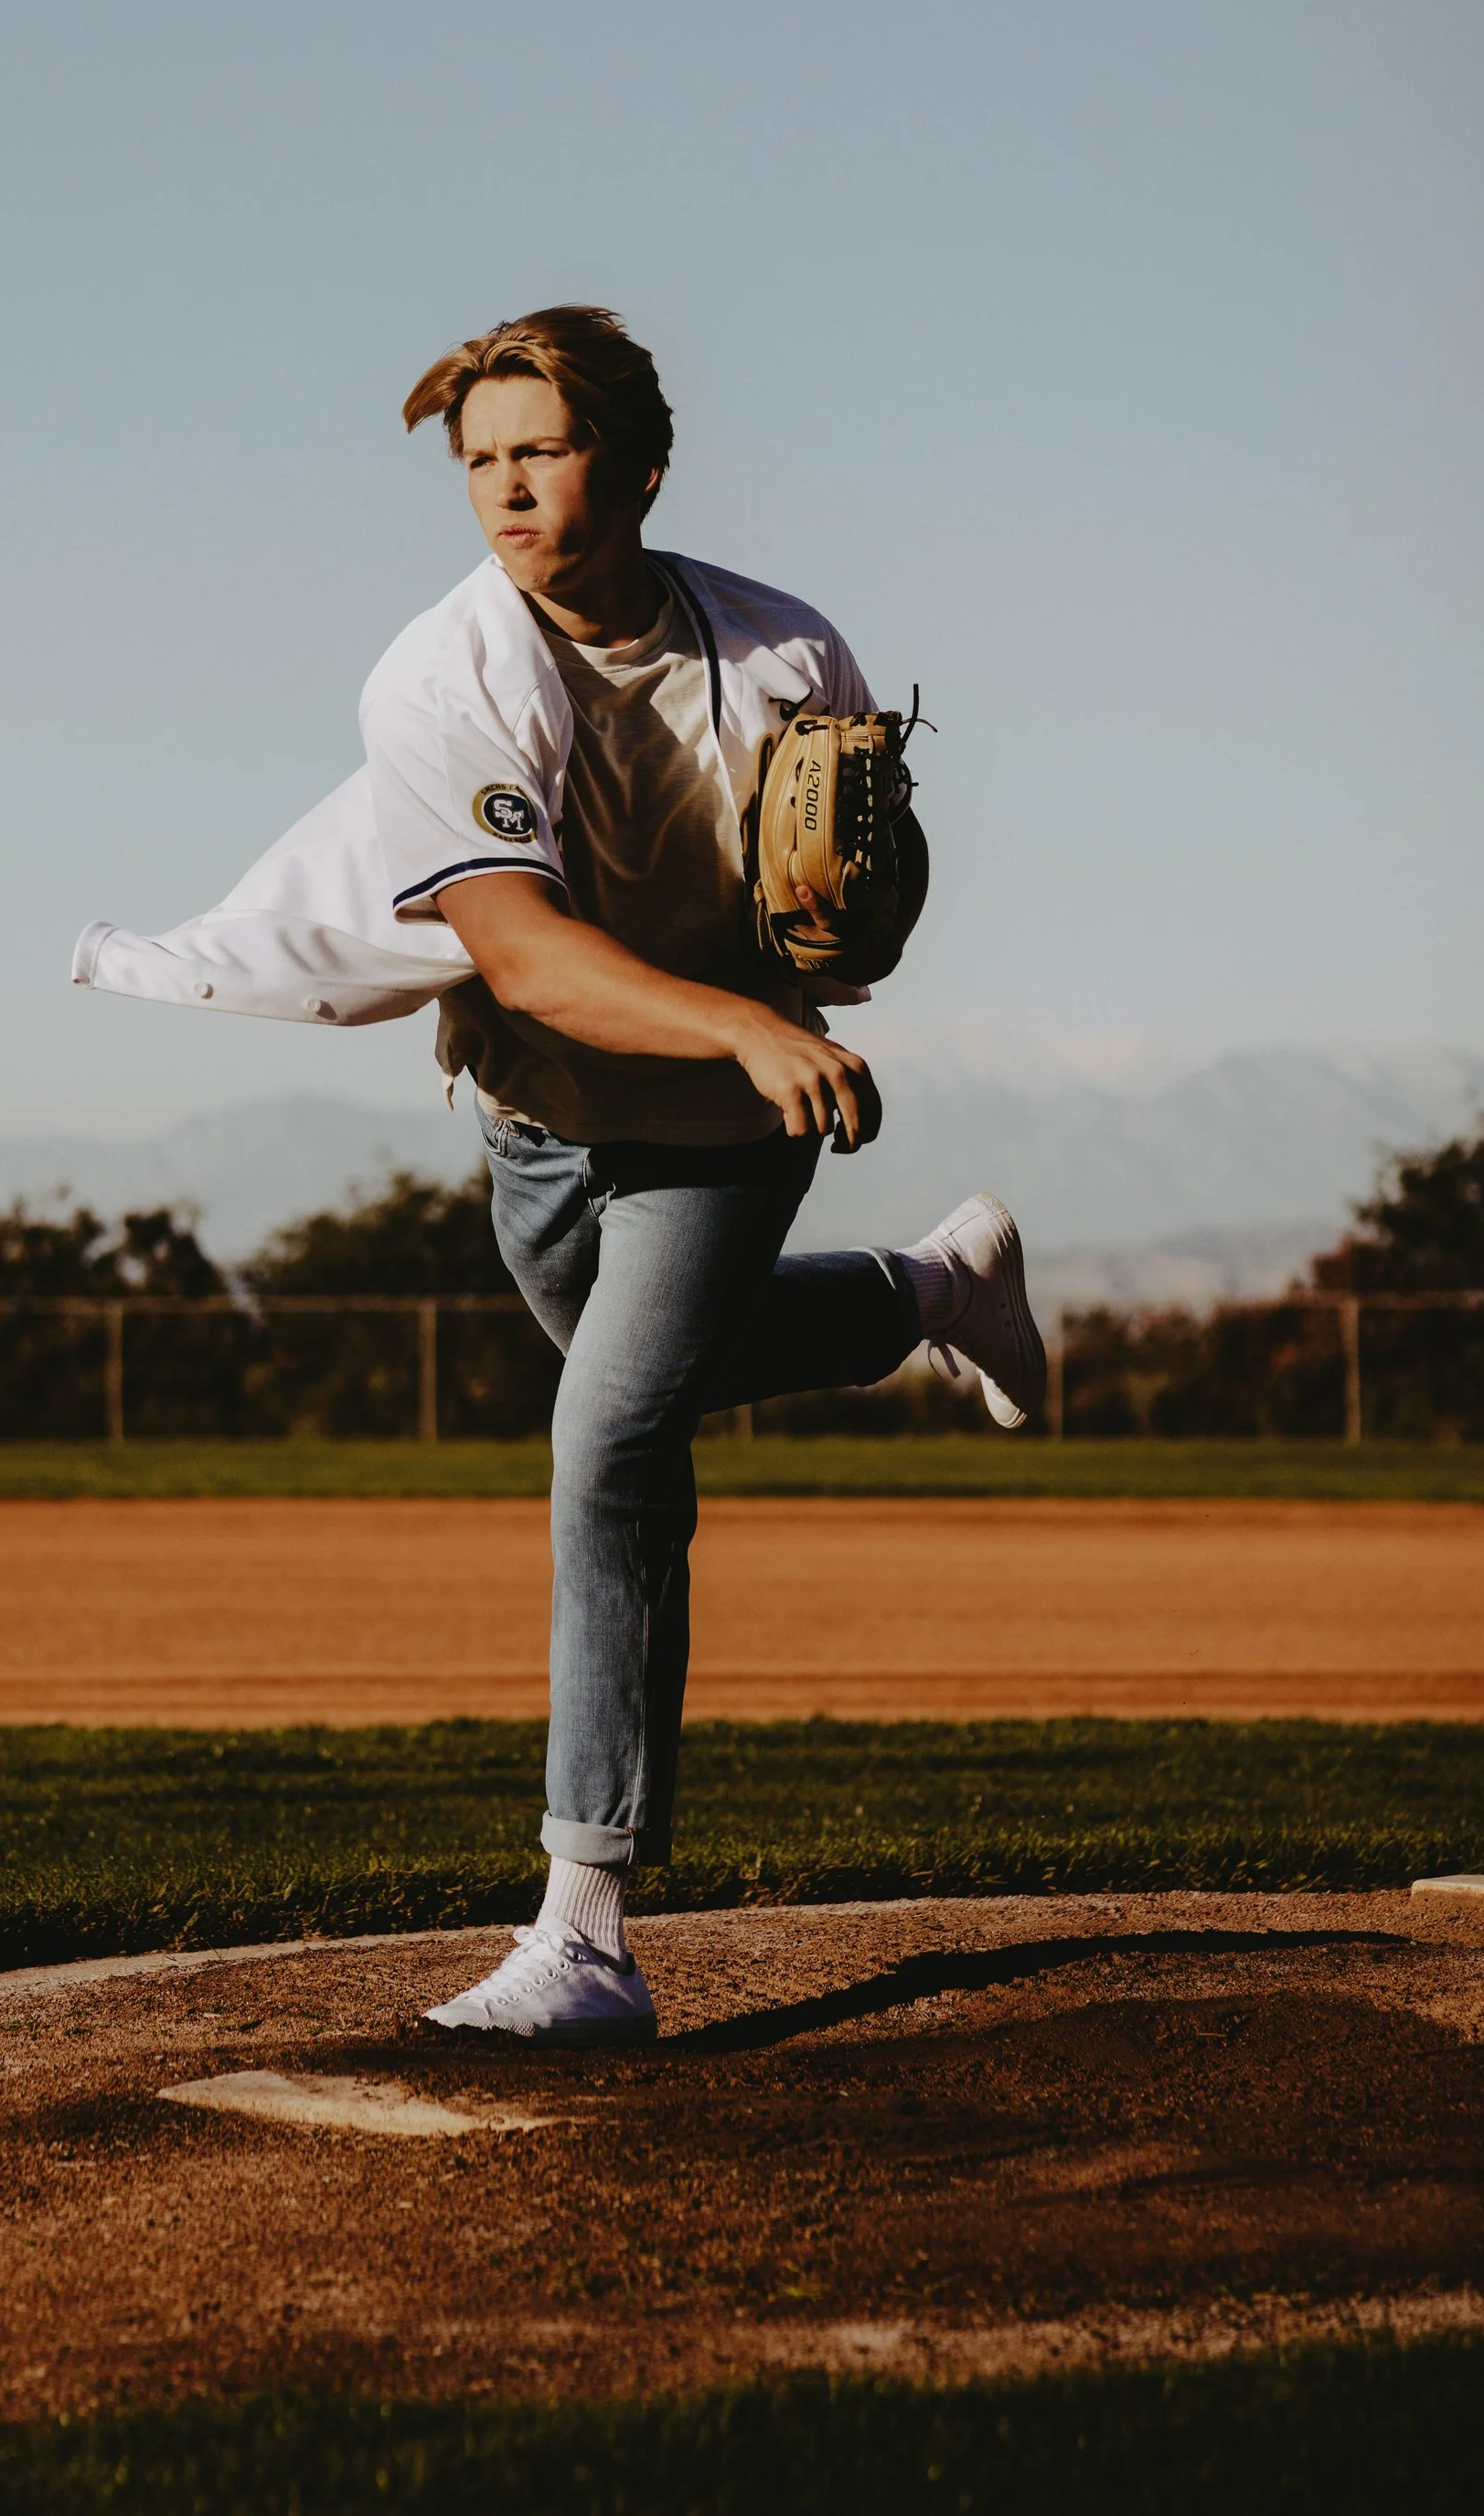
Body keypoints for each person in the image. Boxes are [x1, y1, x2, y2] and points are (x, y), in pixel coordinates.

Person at [74, 306, 1044, 2043]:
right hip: (541, 1126)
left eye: (544, 448)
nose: (508, 488)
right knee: (662, 1372)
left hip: (731, 1137)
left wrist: (820, 965)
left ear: (641, 464)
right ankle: (929, 1291)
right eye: (479, 460)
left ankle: (584, 1928)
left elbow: (854, 879)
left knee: (612, 1440)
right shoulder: (441, 678)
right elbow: (520, 961)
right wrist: (748, 1027)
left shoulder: (785, 649)